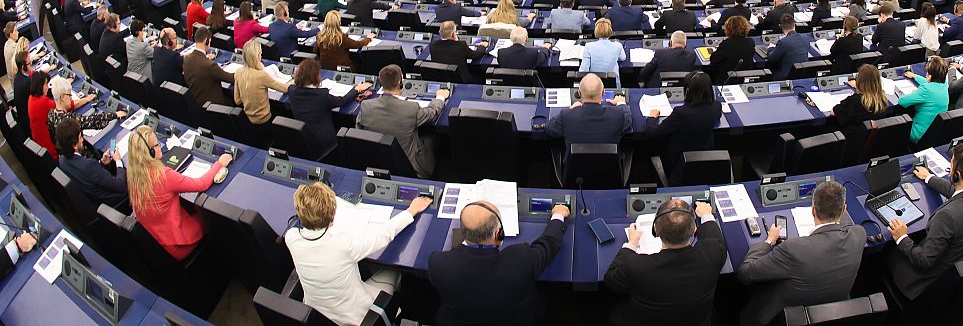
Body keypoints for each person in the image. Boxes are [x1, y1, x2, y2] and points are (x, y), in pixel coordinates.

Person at [286, 181, 433, 325]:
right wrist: (412, 210)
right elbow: (383, 235)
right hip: (355, 317)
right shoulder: (344, 246)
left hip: (317, 314)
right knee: (395, 271)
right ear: (332, 216)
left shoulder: (291, 238)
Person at [736, 181, 866, 326]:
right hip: (834, 313)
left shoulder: (793, 249)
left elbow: (745, 273)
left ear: (813, 211)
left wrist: (769, 241)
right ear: (844, 210)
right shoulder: (859, 235)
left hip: (784, 318)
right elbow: (847, 223)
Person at [428, 199, 570, 326]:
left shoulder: (437, 263)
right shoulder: (521, 260)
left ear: (463, 232)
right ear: (499, 234)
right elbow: (548, 244)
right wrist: (558, 215)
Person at [885, 143, 963, 303]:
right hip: (954, 263)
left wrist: (901, 238)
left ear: (956, 174)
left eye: (951, 164)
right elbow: (955, 191)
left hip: (927, 279)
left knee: (887, 251)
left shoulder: (947, 216)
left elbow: (925, 261)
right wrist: (928, 177)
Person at [604, 199, 726, 326]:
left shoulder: (635, 265)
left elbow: (611, 282)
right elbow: (716, 239)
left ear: (655, 231)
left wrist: (631, 243)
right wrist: (707, 215)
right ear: (693, 231)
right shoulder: (713, 253)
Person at [126, 124, 233, 260]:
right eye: (157, 145)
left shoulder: (132, 175)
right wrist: (219, 163)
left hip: (160, 241)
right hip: (180, 244)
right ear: (151, 153)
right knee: (214, 219)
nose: (160, 146)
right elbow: (202, 184)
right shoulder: (163, 176)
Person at [358, 64, 449, 179]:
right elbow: (432, 113)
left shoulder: (366, 106)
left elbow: (359, 130)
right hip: (411, 167)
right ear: (400, 83)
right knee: (434, 138)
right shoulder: (411, 108)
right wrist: (440, 97)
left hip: (379, 162)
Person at [290, 58, 371, 158]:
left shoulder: (292, 91)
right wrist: (356, 89)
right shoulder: (321, 95)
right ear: (316, 76)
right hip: (325, 141)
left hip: (305, 138)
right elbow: (341, 101)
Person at [644, 71, 721, 172]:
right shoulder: (716, 106)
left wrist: (652, 117)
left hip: (679, 162)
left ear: (688, 90)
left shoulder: (680, 113)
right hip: (705, 158)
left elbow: (652, 133)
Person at [545, 72, 631, 150]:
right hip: (609, 166)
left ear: (579, 93)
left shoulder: (567, 115)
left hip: (575, 166)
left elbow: (549, 129)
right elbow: (628, 121)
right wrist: (621, 103)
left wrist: (570, 109)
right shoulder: (618, 115)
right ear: (603, 92)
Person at [55, 115, 127, 207]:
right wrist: (118, 161)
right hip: (116, 201)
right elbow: (120, 185)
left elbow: (89, 175)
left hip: (96, 201)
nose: (82, 140)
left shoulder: (62, 160)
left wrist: (101, 163)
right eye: (80, 137)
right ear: (74, 145)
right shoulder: (89, 165)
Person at [232, 40, 292, 137]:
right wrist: (295, 80)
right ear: (256, 56)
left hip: (249, 119)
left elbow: (237, 101)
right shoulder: (261, 75)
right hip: (265, 120)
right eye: (260, 54)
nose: (261, 56)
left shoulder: (238, 72)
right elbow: (285, 89)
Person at [897, 57, 950, 144]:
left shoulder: (926, 89)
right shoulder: (944, 84)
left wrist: (910, 93)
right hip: (934, 133)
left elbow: (902, 102)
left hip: (919, 133)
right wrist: (915, 76)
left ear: (930, 76)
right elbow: (929, 82)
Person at [182, 26, 235, 106]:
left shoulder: (187, 59)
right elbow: (231, 78)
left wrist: (205, 58)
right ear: (206, 41)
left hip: (197, 103)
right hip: (214, 105)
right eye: (209, 42)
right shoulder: (210, 65)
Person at [832, 64, 890, 133]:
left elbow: (833, 112)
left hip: (850, 138)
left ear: (860, 80)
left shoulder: (855, 100)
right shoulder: (882, 99)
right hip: (869, 139)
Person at [709, 15, 755, 84]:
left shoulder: (727, 44)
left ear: (728, 29)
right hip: (743, 79)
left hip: (727, 80)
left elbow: (713, 59)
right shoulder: (750, 42)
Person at [766, 13, 806, 81]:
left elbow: (771, 59)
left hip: (784, 76)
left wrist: (770, 48)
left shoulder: (783, 42)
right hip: (802, 75)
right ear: (794, 25)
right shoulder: (806, 38)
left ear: (781, 26)